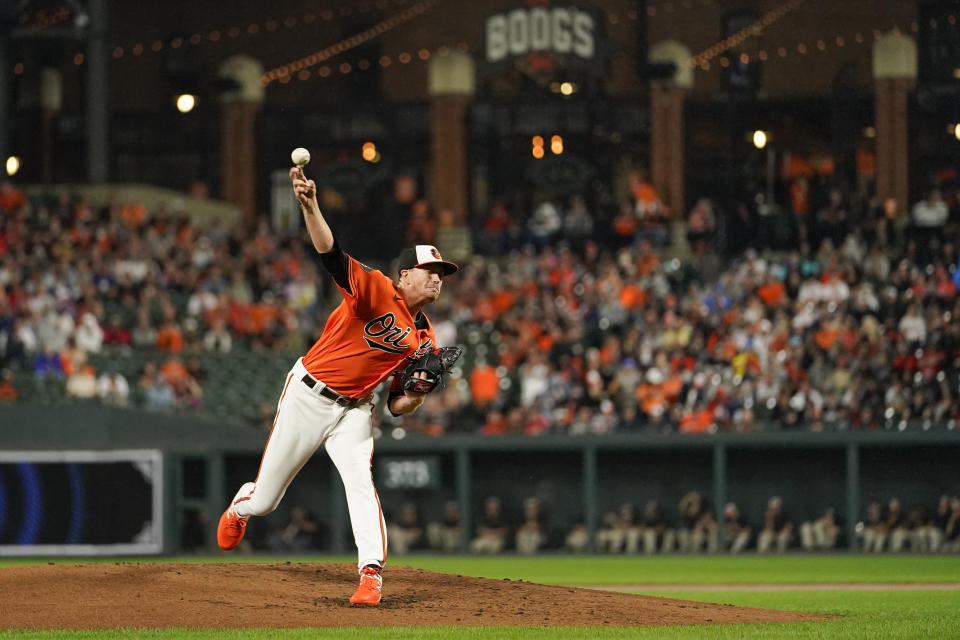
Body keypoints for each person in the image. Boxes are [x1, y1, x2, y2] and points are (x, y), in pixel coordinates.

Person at [216, 163, 458, 607]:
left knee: (360, 482)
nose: (438, 277)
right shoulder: (376, 289)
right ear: (405, 274)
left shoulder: (426, 338)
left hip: (355, 410)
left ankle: (371, 576)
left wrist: (420, 392)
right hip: (309, 393)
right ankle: (240, 506)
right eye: (430, 269)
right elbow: (331, 252)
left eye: (442, 272)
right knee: (267, 499)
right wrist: (309, 205)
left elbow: (398, 406)